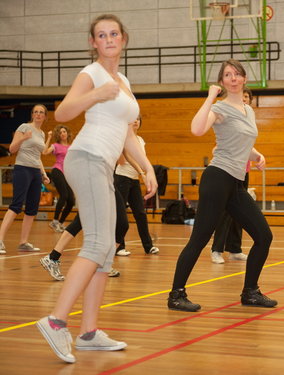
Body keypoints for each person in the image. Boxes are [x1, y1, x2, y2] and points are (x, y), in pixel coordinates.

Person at [36, 14, 157, 364]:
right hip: (86, 157)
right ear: (93, 42)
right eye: (101, 35)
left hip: (104, 164)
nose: (108, 39)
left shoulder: (123, 79)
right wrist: (96, 94)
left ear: (123, 39)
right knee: (98, 243)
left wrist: (146, 167)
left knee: (107, 248)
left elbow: (128, 132)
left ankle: (89, 332)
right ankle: (56, 320)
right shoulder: (92, 75)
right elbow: (63, 113)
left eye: (113, 33)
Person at [168, 59, 277, 312]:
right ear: (222, 81)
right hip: (217, 179)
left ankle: (250, 292)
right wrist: (209, 98)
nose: (233, 78)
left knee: (264, 235)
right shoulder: (219, 108)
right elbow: (197, 129)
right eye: (228, 75)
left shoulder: (248, 111)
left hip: (236, 184)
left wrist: (256, 157)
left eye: (237, 74)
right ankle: (176, 294)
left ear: (244, 79)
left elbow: (240, 142)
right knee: (200, 238)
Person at [40, 188, 130, 281]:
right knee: (81, 220)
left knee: (121, 225)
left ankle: (101, 263)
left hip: (107, 185)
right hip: (96, 185)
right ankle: (53, 257)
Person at [0, 104, 50, 254]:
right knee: (16, 205)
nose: (38, 114)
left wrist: (43, 173)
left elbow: (38, 156)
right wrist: (23, 138)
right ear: (32, 114)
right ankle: (0, 240)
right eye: (36, 112)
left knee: (32, 209)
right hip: (22, 169)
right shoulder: (24, 127)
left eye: (41, 112)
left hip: (35, 171)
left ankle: (23, 242)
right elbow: (12, 149)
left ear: (45, 116)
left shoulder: (41, 134)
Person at [210, 88, 253, 263]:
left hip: (244, 172)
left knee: (240, 213)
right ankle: (216, 249)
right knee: (225, 212)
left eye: (247, 97)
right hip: (227, 172)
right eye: (242, 96)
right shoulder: (228, 115)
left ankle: (235, 248)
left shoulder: (249, 117)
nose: (244, 99)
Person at [114, 115, 159, 255]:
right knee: (120, 215)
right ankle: (119, 247)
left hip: (134, 180)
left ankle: (148, 246)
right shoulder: (123, 138)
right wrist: (142, 172)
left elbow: (142, 159)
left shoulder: (140, 140)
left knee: (140, 213)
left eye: (138, 119)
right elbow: (125, 158)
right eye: (133, 119)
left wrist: (146, 174)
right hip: (122, 178)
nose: (136, 121)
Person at [43, 124, 75, 233]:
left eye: (64, 132)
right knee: (64, 195)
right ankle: (55, 220)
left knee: (71, 200)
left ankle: (60, 223)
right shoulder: (55, 145)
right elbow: (44, 152)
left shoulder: (71, 147)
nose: (62, 134)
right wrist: (48, 138)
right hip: (57, 171)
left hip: (67, 174)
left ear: (67, 133)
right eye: (60, 132)